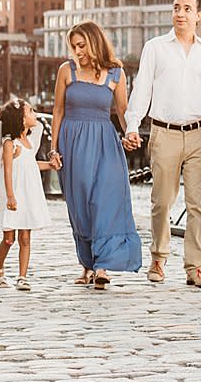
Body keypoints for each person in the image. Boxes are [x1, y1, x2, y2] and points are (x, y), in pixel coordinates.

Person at [123, 0, 201, 288]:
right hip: (163, 132)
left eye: (187, 8)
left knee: (199, 204)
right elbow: (142, 89)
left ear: (198, 15)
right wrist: (132, 125)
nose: (180, 13)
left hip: (199, 135)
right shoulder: (155, 48)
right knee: (162, 201)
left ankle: (195, 267)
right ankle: (158, 257)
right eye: (176, 8)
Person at [50, 21, 143, 289]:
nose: (78, 51)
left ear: (95, 42)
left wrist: (131, 133)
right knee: (80, 206)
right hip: (73, 142)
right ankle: (87, 264)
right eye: (74, 46)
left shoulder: (116, 73)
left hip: (105, 143)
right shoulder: (66, 71)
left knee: (105, 201)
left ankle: (103, 266)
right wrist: (54, 148)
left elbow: (123, 112)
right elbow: (58, 112)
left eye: (82, 45)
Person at [0, 97, 50, 291]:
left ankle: (22, 276)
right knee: (9, 238)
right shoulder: (11, 143)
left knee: (25, 237)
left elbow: (31, 165)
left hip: (28, 194)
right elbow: (7, 170)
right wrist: (10, 196)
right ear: (21, 118)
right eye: (31, 111)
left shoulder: (29, 142)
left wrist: (50, 165)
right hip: (14, 195)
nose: (35, 114)